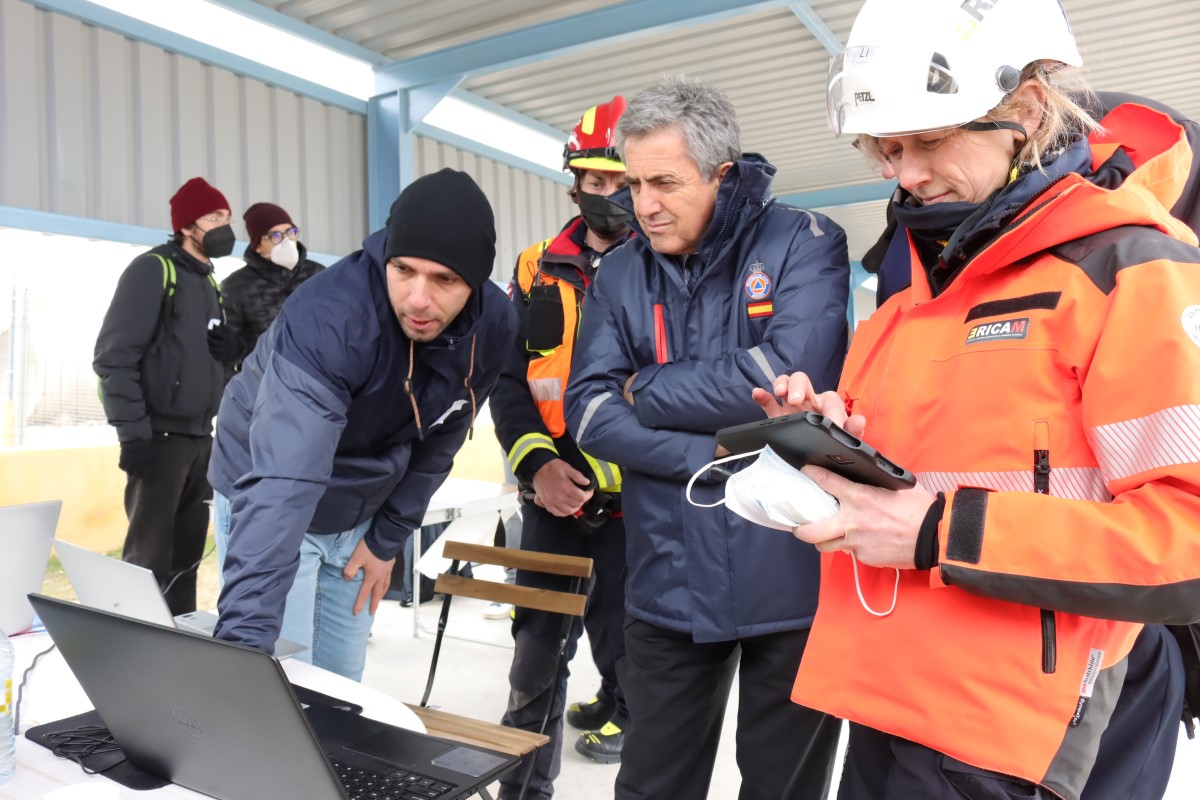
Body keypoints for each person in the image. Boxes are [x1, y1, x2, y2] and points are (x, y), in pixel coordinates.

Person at [753, 2, 1198, 798]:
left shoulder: (1130, 274)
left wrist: (938, 530)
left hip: (1009, 733)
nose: (907, 174)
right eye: (889, 148)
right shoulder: (908, 304)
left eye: (929, 140)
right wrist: (833, 441)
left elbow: (1187, 537)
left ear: (1026, 112)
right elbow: (919, 480)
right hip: (886, 693)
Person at [563, 76, 850, 800]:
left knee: (784, 791)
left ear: (722, 174)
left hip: (793, 577)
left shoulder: (805, 242)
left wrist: (649, 389)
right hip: (667, 581)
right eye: (634, 184)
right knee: (652, 786)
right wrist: (708, 456)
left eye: (664, 182)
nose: (643, 205)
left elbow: (789, 370)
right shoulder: (620, 272)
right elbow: (589, 411)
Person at [208, 169, 517, 681]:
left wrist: (386, 539)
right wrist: (241, 652)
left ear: (476, 281)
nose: (418, 298)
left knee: (341, 690)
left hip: (363, 504)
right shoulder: (331, 317)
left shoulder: (495, 324)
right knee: (280, 681)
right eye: (404, 270)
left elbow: (442, 438)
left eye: (445, 279)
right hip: (273, 490)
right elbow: (284, 482)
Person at [490, 96, 634, 798]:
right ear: (574, 183)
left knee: (637, 662)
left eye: (621, 180)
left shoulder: (672, 267)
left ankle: (622, 715)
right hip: (552, 504)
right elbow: (507, 379)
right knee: (534, 664)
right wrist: (539, 464)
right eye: (594, 180)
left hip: (641, 511)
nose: (608, 194)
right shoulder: (533, 268)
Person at [93, 177, 231, 616]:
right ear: (187, 225)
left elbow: (200, 366)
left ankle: (177, 645)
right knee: (146, 563)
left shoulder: (210, 283)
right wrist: (133, 435)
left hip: (200, 440)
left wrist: (233, 355)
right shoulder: (153, 270)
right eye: (214, 217)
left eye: (227, 217)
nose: (225, 226)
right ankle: (131, 646)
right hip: (158, 440)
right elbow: (114, 358)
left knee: (186, 564)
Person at [211, 202, 325, 380]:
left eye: (291, 232)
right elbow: (228, 352)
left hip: (319, 380)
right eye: (276, 235)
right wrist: (238, 353)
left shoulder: (319, 275)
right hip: (266, 384)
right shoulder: (236, 287)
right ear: (258, 245)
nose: (287, 241)